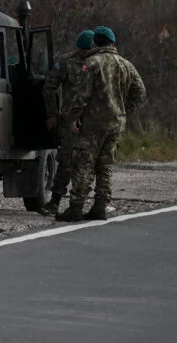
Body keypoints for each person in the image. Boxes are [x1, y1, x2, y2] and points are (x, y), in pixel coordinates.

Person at [57, 25, 146, 222]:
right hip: (116, 123)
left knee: (83, 163)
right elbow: (140, 92)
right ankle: (100, 206)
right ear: (113, 43)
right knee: (105, 165)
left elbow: (81, 95)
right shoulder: (125, 65)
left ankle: (76, 207)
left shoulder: (92, 63)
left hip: (93, 123)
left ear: (95, 43)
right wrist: (123, 110)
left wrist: (73, 118)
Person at [40, 29, 97, 216]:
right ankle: (55, 200)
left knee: (89, 162)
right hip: (70, 119)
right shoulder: (66, 62)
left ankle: (81, 202)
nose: (84, 55)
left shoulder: (99, 62)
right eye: (81, 51)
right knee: (65, 160)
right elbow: (49, 86)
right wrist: (52, 113)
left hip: (92, 119)